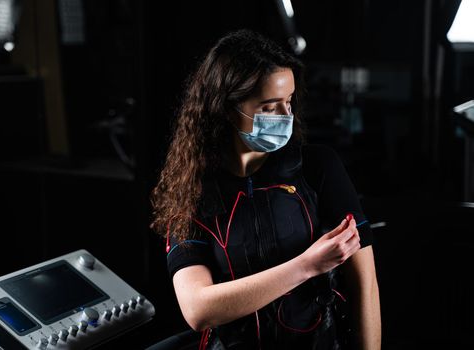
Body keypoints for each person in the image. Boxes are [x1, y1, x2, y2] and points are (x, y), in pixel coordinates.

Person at [151, 29, 381, 349]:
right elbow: (198, 308)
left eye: (289, 102)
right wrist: (307, 265)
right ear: (227, 108)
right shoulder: (193, 188)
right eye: (270, 107)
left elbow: (365, 283)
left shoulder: (319, 167)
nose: (286, 116)